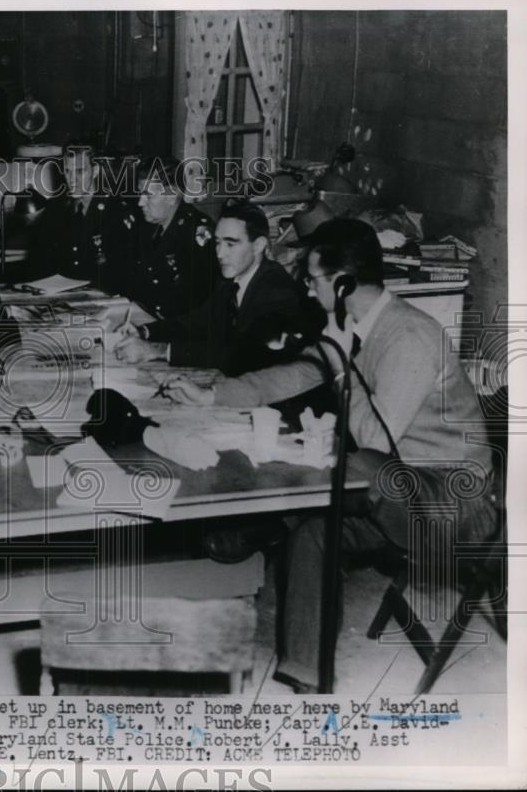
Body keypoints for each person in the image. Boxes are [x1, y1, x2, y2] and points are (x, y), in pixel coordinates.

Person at [162, 218, 496, 692]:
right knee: (317, 531)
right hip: (394, 491)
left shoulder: (408, 337)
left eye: (314, 278)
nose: (306, 286)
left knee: (353, 466)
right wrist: (213, 396)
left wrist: (340, 369)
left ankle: (266, 521)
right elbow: (294, 375)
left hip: (454, 506)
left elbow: (373, 438)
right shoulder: (353, 325)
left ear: (342, 284)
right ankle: (308, 675)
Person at [115, 201, 311, 374]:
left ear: (259, 245)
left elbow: (243, 354)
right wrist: (145, 332)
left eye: (230, 244)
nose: (219, 253)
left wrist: (157, 350)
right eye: (217, 243)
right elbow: (201, 321)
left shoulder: (275, 290)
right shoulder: (233, 278)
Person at [120, 157, 219, 321]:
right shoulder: (147, 226)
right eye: (140, 194)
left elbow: (201, 307)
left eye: (148, 196)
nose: (140, 203)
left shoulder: (197, 233)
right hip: (148, 321)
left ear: (172, 195)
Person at [24, 145, 130, 292]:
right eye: (67, 171)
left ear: (96, 171)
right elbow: (40, 262)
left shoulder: (115, 211)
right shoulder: (55, 209)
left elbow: (123, 272)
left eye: (80, 171)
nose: (72, 179)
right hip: (59, 298)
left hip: (103, 298)